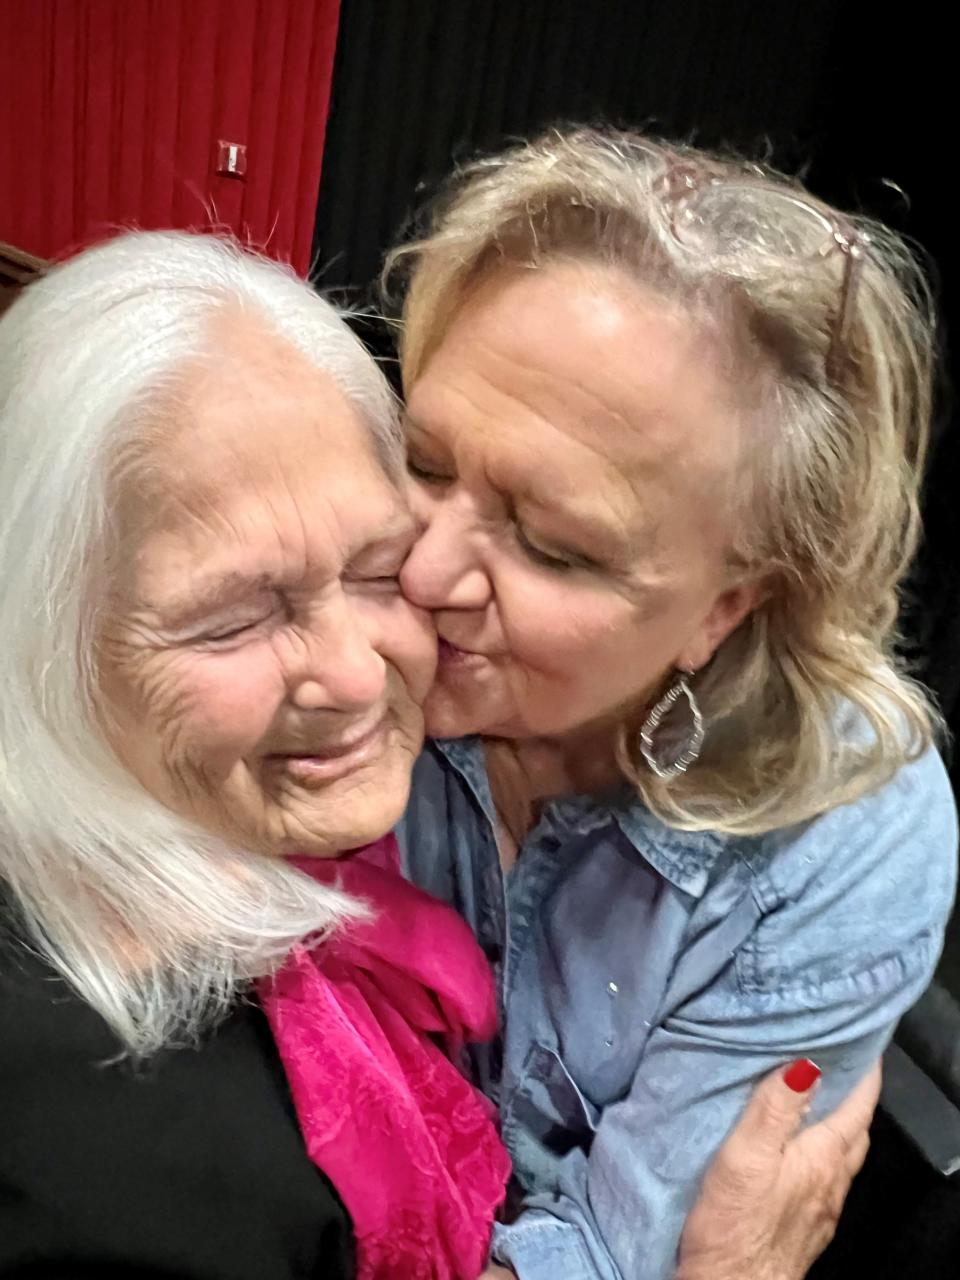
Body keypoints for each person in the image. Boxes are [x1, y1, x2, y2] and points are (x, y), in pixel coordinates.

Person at [0, 228, 875, 1280]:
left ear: (726, 607)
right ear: (42, 634)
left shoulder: (255, 841)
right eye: (232, 619)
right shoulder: (127, 1162)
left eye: (378, 567)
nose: (365, 675)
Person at [388, 129, 959, 1280]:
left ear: (728, 604)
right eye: (423, 458)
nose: (419, 575)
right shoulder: (340, 587)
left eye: (551, 545)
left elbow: (609, 1249)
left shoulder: (840, 835)